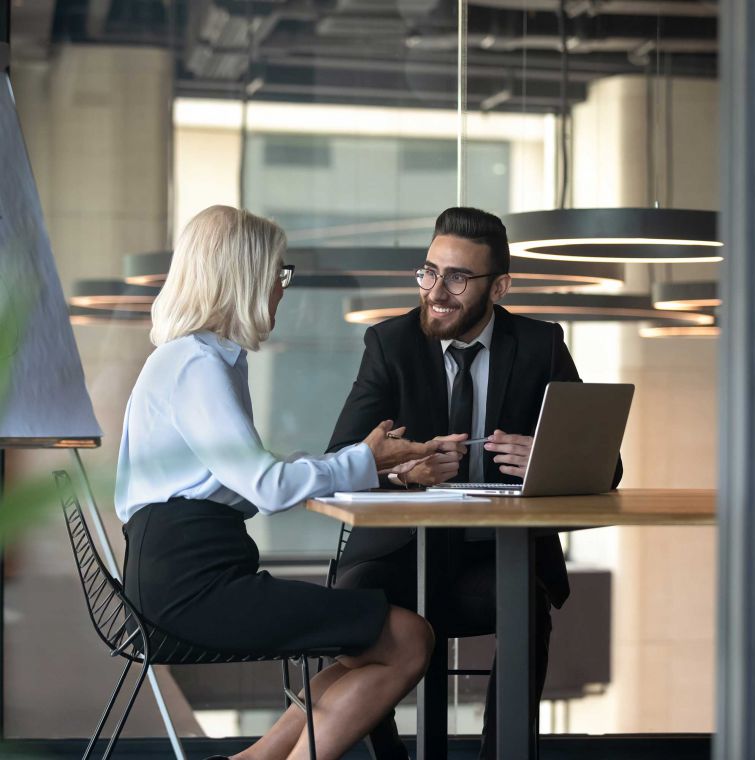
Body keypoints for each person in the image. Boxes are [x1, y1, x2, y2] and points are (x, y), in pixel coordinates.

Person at [114, 205, 439, 760]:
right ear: (242, 275)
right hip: (192, 586)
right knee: (409, 638)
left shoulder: (199, 359)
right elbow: (266, 487)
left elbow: (245, 481)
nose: (282, 288)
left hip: (183, 570)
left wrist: (372, 465)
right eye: (278, 272)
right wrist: (361, 459)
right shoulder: (196, 365)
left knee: (376, 643)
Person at [327, 206, 623, 760]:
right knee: (352, 607)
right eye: (430, 272)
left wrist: (547, 455)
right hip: (398, 553)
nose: (437, 291)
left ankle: (501, 755)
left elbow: (607, 467)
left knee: (526, 605)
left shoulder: (540, 345)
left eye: (458, 277)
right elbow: (339, 457)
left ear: (499, 286)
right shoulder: (390, 344)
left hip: (495, 557)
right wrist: (399, 471)